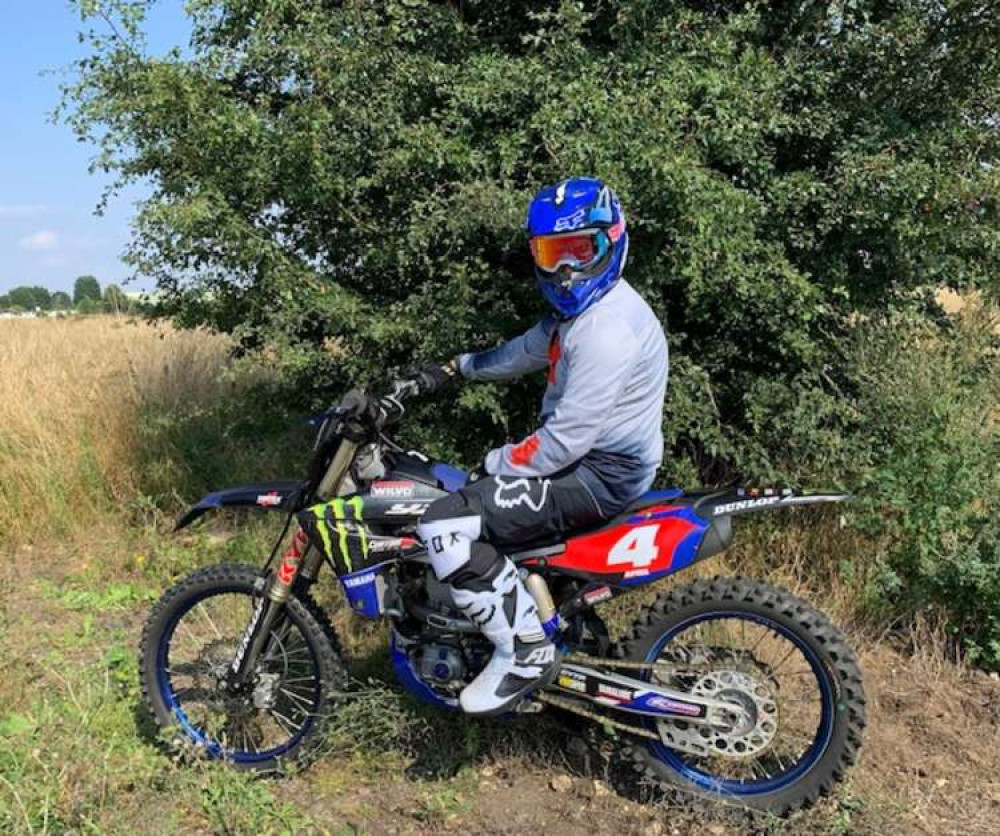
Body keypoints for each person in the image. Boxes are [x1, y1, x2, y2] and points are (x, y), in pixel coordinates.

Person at [415, 176, 669, 716]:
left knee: (443, 523)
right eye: (552, 253)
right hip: (596, 464)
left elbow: (563, 441)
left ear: (612, 242)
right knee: (479, 508)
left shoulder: (606, 330)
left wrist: (492, 466)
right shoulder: (578, 316)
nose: (566, 269)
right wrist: (458, 368)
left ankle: (524, 651)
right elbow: (522, 351)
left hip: (597, 474)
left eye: (580, 251)